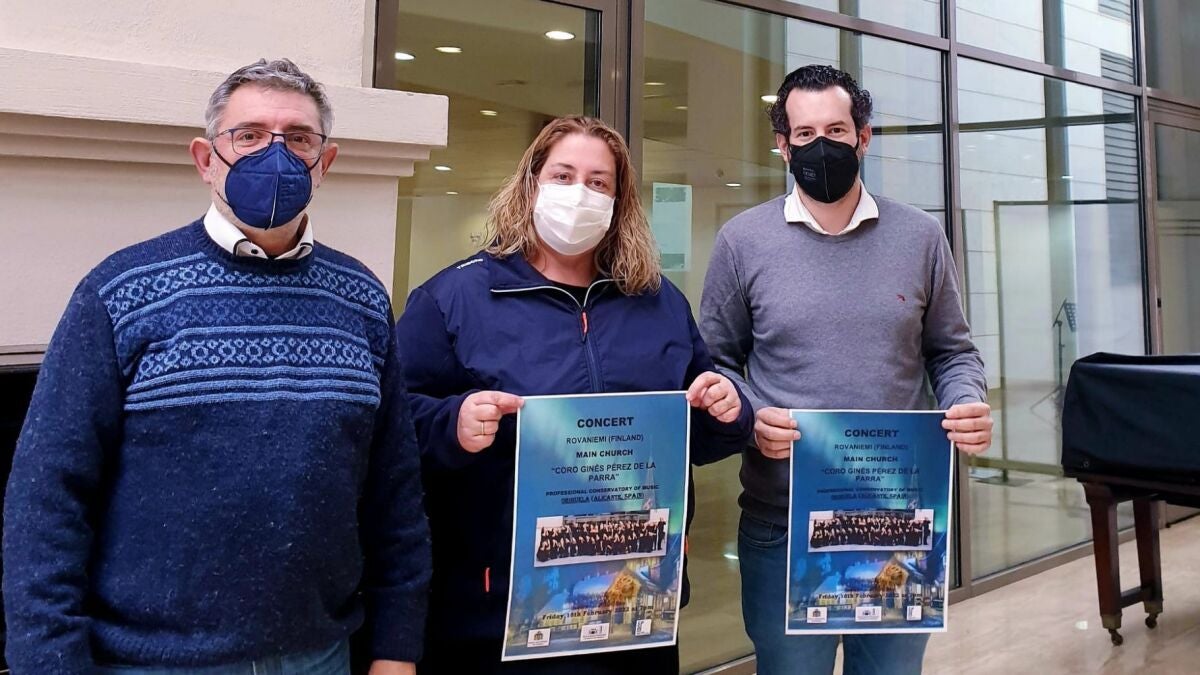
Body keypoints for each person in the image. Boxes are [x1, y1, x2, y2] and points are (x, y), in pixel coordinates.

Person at [2, 59, 429, 675]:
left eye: (298, 139)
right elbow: (47, 494)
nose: (275, 154)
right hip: (150, 661)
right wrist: (49, 661)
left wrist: (396, 648)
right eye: (249, 135)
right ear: (206, 159)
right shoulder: (121, 291)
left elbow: (395, 491)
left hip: (317, 656)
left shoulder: (360, 298)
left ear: (324, 162)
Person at [395, 116, 753, 674]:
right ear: (531, 183)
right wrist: (454, 422)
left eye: (598, 182)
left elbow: (698, 428)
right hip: (501, 610)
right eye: (563, 176)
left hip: (634, 603)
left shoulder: (657, 302)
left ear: (618, 201)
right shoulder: (455, 297)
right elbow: (395, 423)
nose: (579, 193)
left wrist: (728, 411)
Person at [699, 65, 994, 675]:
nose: (821, 145)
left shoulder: (920, 236)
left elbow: (952, 351)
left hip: (899, 517)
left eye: (835, 130)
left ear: (863, 136)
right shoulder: (741, 241)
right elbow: (716, 361)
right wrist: (750, 416)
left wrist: (964, 398)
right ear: (782, 145)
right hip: (782, 520)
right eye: (804, 134)